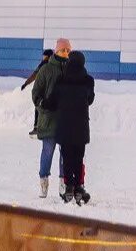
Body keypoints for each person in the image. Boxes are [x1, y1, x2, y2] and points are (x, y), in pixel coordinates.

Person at [50, 50, 95, 205]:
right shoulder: (88, 81)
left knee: (67, 157)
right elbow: (90, 99)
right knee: (78, 157)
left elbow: (52, 100)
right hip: (81, 126)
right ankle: (79, 187)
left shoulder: (61, 79)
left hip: (64, 125)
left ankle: (69, 187)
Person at [31, 38, 69, 198]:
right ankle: (44, 180)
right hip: (48, 119)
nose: (65, 53)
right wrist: (43, 104)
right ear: (56, 51)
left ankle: (63, 181)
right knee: (48, 150)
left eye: (68, 51)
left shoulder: (71, 69)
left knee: (65, 153)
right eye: (63, 50)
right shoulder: (46, 70)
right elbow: (36, 93)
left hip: (65, 120)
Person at [21, 49, 53, 137]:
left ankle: (38, 128)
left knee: (39, 108)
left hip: (42, 91)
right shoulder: (53, 65)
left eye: (45, 56)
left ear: (48, 56)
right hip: (49, 91)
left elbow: (34, 75)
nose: (43, 57)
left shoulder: (44, 65)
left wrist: (26, 83)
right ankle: (44, 128)